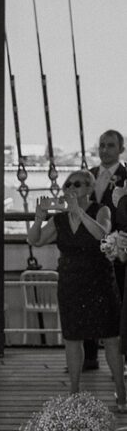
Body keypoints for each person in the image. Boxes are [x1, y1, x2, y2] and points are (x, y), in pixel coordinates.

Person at [27, 170, 125, 405]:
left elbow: (102, 234)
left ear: (90, 188)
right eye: (68, 184)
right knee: (72, 338)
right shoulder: (59, 219)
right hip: (70, 281)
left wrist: (78, 212)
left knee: (111, 337)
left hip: (99, 280)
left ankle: (121, 391)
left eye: (78, 184)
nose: (72, 187)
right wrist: (39, 218)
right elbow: (35, 240)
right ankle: (74, 391)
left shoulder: (100, 210)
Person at [84, 129, 127, 370]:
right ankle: (89, 356)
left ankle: (123, 362)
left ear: (121, 149)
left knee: (120, 304)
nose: (104, 150)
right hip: (91, 252)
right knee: (89, 302)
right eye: (101, 145)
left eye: (110, 145)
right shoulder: (88, 176)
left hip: (120, 251)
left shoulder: (126, 176)